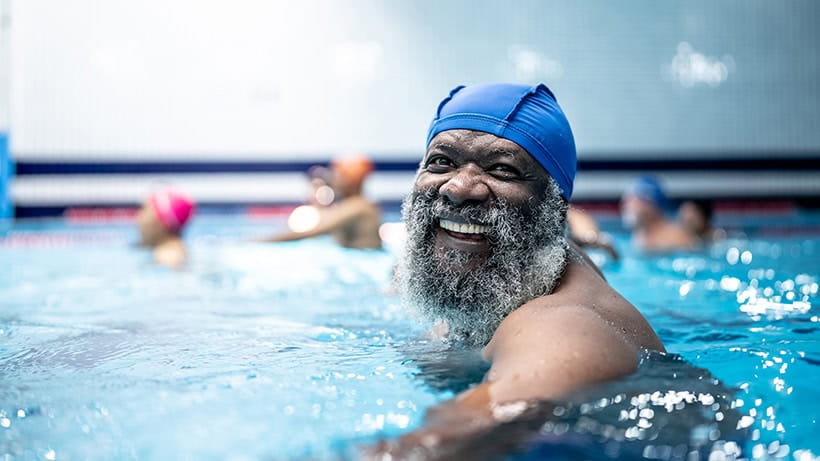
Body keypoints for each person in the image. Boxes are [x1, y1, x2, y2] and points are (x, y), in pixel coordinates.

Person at [373, 83, 665, 457]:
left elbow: (427, 450)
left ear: (555, 209)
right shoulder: (529, 262)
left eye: (503, 169)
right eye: (442, 162)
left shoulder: (566, 329)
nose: (459, 187)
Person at [259, 155, 382, 249]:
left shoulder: (357, 208)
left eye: (337, 174)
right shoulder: (355, 206)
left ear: (348, 180)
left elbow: (311, 232)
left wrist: (260, 241)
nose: (333, 178)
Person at [620, 175, 696, 253]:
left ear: (650, 205)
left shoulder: (677, 239)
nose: (625, 206)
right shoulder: (638, 236)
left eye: (631, 200)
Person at [136, 188, 196, 269]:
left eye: (144, 209)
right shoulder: (172, 250)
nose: (138, 217)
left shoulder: (168, 257)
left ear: (160, 220)